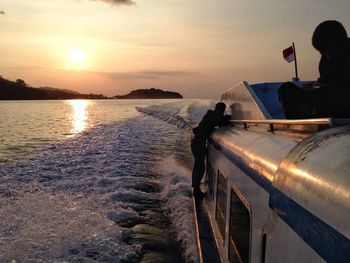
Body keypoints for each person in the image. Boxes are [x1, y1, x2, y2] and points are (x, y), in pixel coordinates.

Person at [278, 20, 350, 119]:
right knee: (285, 89)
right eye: (322, 53)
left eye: (327, 51)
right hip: (323, 102)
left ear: (340, 43)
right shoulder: (325, 60)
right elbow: (324, 81)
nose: (326, 56)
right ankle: (307, 115)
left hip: (340, 103)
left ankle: (313, 112)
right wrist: (314, 86)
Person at [191, 102, 231, 200]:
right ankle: (196, 191)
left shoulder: (210, 114)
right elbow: (223, 120)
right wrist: (229, 117)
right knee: (200, 167)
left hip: (196, 143)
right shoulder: (215, 115)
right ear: (221, 110)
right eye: (222, 111)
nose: (222, 113)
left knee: (197, 165)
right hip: (198, 144)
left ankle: (195, 187)